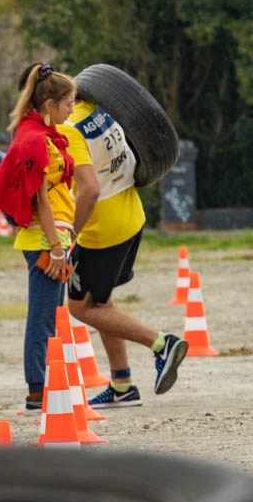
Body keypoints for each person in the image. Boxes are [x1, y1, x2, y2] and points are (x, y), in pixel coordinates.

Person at [62, 99, 189, 406]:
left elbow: (89, 189)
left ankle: (161, 343)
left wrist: (70, 235)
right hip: (131, 216)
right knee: (102, 300)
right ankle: (122, 386)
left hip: (101, 231)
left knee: (80, 308)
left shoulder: (68, 129)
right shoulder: (99, 108)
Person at [0, 63, 82, 410]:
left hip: (54, 237)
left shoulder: (43, 136)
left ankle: (47, 385)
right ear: (49, 105)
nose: (71, 109)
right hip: (45, 241)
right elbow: (39, 198)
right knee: (42, 317)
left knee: (52, 316)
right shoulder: (34, 141)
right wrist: (57, 248)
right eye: (68, 103)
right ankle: (37, 389)